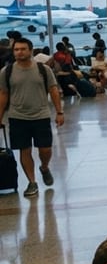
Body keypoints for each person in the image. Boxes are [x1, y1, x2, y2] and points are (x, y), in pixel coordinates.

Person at [0, 37, 64, 197]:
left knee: (45, 149)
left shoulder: (43, 70)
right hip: (17, 116)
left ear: (30, 50)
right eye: (16, 50)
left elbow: (53, 90)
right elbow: (3, 94)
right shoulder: (6, 72)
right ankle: (32, 182)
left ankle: (44, 167)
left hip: (41, 115)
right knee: (24, 149)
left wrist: (59, 112)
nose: (19, 52)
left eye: (22, 49)